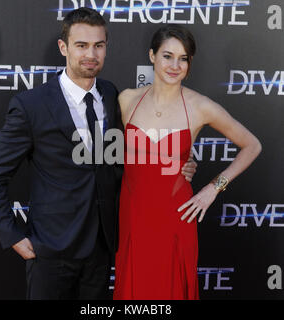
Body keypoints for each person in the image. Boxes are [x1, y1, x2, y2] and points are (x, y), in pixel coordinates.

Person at [0, 9, 196, 300]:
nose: (90, 53)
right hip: (51, 250)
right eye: (81, 45)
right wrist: (12, 235)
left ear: (106, 47)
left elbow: (129, 153)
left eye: (98, 45)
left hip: (101, 248)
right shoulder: (31, 104)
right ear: (64, 47)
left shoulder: (111, 95)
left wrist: (181, 162)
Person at [113, 25, 262, 300]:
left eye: (183, 58)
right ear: (151, 56)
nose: (175, 65)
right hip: (133, 216)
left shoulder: (200, 106)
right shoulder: (126, 99)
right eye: (167, 56)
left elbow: (252, 145)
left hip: (175, 215)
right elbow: (111, 154)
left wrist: (213, 188)